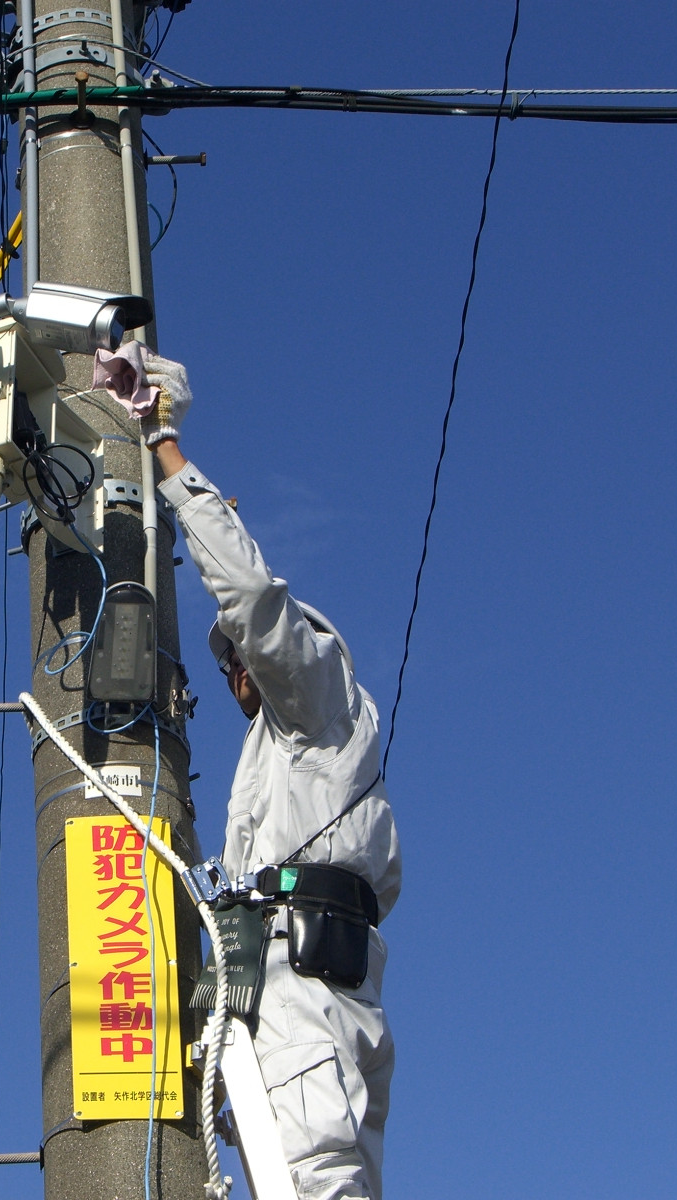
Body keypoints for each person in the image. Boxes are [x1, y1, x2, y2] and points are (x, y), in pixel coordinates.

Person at [136, 354, 401, 1200]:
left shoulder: (321, 702)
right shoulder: (277, 755)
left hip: (307, 994)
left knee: (319, 1181)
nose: (233, 672)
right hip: (282, 997)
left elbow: (251, 596)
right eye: (224, 668)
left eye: (239, 658)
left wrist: (167, 454)